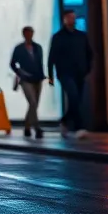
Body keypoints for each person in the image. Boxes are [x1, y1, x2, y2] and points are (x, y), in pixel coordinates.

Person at [48, 9, 94, 139]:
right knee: (73, 96)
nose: (72, 20)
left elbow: (89, 54)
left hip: (80, 73)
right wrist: (50, 77)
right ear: (64, 19)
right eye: (69, 18)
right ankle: (80, 128)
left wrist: (88, 70)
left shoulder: (82, 36)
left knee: (76, 100)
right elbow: (51, 58)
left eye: (73, 18)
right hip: (65, 73)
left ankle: (64, 120)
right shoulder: (58, 37)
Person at [11, 26, 46, 138]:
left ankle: (27, 127)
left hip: (38, 78)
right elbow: (12, 63)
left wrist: (43, 76)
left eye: (30, 33)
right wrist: (19, 72)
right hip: (25, 79)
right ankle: (37, 128)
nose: (29, 35)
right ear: (23, 34)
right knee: (33, 102)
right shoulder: (19, 48)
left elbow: (40, 63)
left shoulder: (38, 47)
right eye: (27, 33)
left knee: (33, 104)